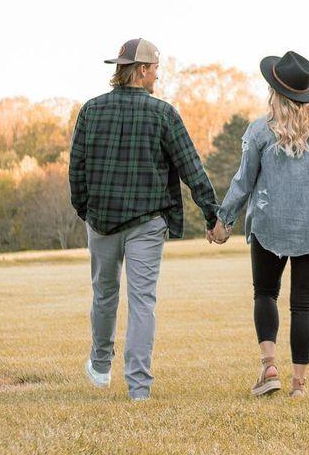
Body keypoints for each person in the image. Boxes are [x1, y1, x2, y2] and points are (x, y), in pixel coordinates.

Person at [69, 37, 221, 401]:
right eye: (154, 70)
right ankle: (138, 389)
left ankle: (101, 366)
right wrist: (213, 214)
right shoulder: (163, 114)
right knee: (142, 303)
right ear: (141, 70)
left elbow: (76, 169)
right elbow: (192, 168)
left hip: (102, 221)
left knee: (104, 295)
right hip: (147, 222)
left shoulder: (91, 110)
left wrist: (86, 210)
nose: (157, 76)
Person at [210, 50, 309, 397]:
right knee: (304, 304)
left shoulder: (259, 131)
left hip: (269, 226)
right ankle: (298, 385)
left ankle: (269, 367)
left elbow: (243, 182)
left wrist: (223, 221)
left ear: (275, 92)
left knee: (265, 293)